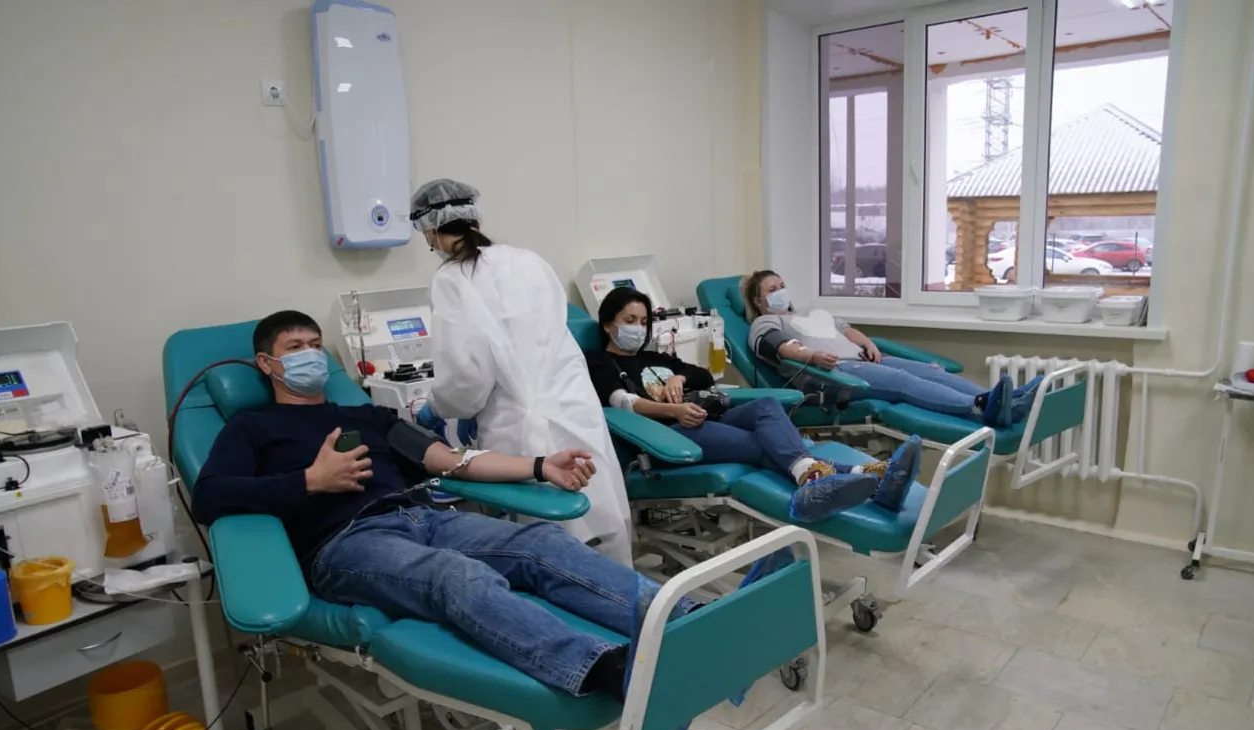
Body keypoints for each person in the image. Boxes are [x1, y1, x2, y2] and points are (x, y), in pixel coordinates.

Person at [192, 311, 684, 702]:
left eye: (316, 345)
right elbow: (210, 496)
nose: (310, 355)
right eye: (295, 348)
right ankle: (601, 668)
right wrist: (310, 481)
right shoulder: (252, 427)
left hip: (421, 517)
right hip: (344, 544)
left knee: (539, 542)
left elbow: (451, 461)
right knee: (456, 575)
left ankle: (680, 616)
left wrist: (539, 466)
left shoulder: (367, 415)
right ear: (266, 364)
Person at [409, 179, 633, 565]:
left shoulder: (452, 279)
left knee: (550, 547)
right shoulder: (527, 260)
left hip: (520, 425)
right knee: (601, 520)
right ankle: (628, 596)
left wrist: (439, 407)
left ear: (430, 232)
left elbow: (466, 378)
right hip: (575, 406)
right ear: (475, 219)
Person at [585, 288, 922, 516]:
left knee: (766, 406)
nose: (638, 328)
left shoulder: (654, 356)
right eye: (630, 321)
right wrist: (673, 409)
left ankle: (824, 477)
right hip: (669, 435)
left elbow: (703, 375)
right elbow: (622, 402)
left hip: (702, 418)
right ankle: (862, 477)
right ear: (608, 323)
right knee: (766, 444)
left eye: (644, 322)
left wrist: (679, 378)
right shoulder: (600, 361)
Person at [741, 270, 1041, 428]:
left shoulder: (808, 312)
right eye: (772, 290)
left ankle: (1005, 401)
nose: (780, 292)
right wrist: (813, 356)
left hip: (862, 360)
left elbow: (845, 329)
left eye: (782, 285)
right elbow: (781, 348)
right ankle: (979, 407)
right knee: (902, 381)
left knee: (929, 371)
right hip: (833, 374)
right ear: (757, 300)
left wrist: (867, 343)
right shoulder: (765, 322)